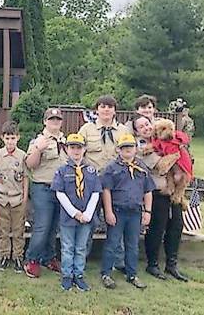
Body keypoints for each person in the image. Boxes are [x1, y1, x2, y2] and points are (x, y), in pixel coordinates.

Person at [132, 115, 190, 282]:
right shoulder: (142, 146)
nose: (146, 128)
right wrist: (178, 153)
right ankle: (153, 264)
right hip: (158, 191)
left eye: (148, 124)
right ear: (137, 131)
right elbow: (162, 166)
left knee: (177, 225)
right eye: (141, 127)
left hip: (174, 190)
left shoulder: (167, 142)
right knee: (158, 227)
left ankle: (171, 264)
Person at [78, 95, 129, 270]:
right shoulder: (86, 129)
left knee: (116, 223)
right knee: (88, 222)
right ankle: (81, 259)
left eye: (109, 106)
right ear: (96, 110)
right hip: (92, 184)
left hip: (117, 186)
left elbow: (129, 156)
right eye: (102, 106)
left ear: (115, 110)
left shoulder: (123, 132)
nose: (106, 110)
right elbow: (77, 154)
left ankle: (118, 261)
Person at [100, 133, 155, 290]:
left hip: (135, 212)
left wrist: (148, 212)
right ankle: (106, 273)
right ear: (118, 149)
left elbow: (148, 191)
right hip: (117, 211)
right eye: (124, 148)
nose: (127, 150)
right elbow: (106, 190)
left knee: (132, 245)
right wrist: (108, 212)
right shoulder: (112, 168)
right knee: (113, 243)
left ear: (136, 148)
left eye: (130, 147)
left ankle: (132, 274)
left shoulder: (142, 168)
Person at [51, 134, 101, 291]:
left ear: (84, 149)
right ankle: (67, 275)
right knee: (67, 247)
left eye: (79, 147)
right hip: (68, 218)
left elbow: (96, 192)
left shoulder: (91, 171)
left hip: (86, 218)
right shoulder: (62, 170)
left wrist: (87, 213)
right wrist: (75, 213)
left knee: (81, 247)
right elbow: (60, 193)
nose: (76, 151)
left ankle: (78, 275)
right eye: (72, 147)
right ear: (66, 149)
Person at [23, 107, 67, 279]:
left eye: (57, 120)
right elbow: (30, 164)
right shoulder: (38, 141)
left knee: (54, 226)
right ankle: (32, 260)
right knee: (42, 225)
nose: (54, 123)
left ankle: (49, 257)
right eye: (51, 120)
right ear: (45, 122)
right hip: (43, 187)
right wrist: (38, 149)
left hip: (62, 189)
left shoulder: (67, 141)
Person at [0, 121, 29, 273]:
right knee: (3, 230)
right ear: (2, 138)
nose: (10, 141)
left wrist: (25, 197)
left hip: (17, 198)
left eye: (13, 138)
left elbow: (25, 177)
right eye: (7, 138)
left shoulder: (22, 156)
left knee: (18, 230)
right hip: (1, 198)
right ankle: (4, 256)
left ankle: (18, 257)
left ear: (18, 138)